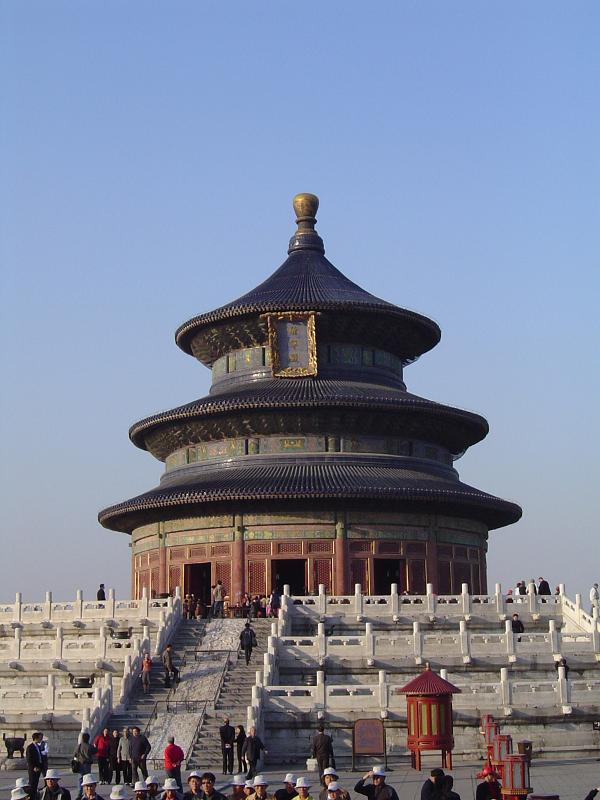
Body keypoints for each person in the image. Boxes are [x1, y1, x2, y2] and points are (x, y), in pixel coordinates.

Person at [26, 731, 45, 796]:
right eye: (40, 738)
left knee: (36, 782)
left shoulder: (38, 746)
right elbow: (29, 759)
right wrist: (33, 767)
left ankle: (34, 794)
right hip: (33, 769)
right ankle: (31, 795)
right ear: (36, 738)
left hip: (38, 767)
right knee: (32, 782)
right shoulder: (30, 747)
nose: (41, 739)